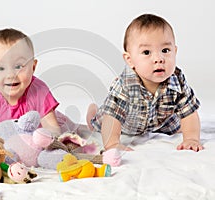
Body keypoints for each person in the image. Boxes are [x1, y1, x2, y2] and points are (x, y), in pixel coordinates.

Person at [87, 13, 203, 152]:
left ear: (175, 51)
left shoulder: (177, 81)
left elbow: (189, 112)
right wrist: (112, 144)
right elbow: (112, 117)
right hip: (124, 125)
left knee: (178, 126)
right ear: (130, 60)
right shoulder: (125, 84)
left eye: (165, 50)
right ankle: (92, 110)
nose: (159, 58)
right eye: (147, 52)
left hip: (160, 123)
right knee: (97, 125)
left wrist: (191, 138)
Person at [0, 28, 66, 157]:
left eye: (18, 66)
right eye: (0, 68)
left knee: (67, 128)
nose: (10, 74)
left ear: (33, 67)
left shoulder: (39, 91)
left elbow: (52, 127)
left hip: (32, 134)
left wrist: (49, 142)